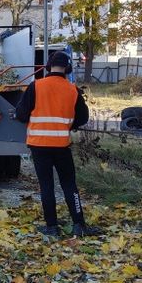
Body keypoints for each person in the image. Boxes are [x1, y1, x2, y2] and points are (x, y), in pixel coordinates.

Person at [15, 51, 102, 237]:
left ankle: (52, 227)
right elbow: (83, 118)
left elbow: (21, 114)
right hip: (62, 146)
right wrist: (69, 124)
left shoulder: (36, 86)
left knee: (46, 186)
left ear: (48, 66)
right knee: (69, 184)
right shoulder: (72, 90)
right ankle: (79, 225)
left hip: (39, 145)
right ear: (67, 68)